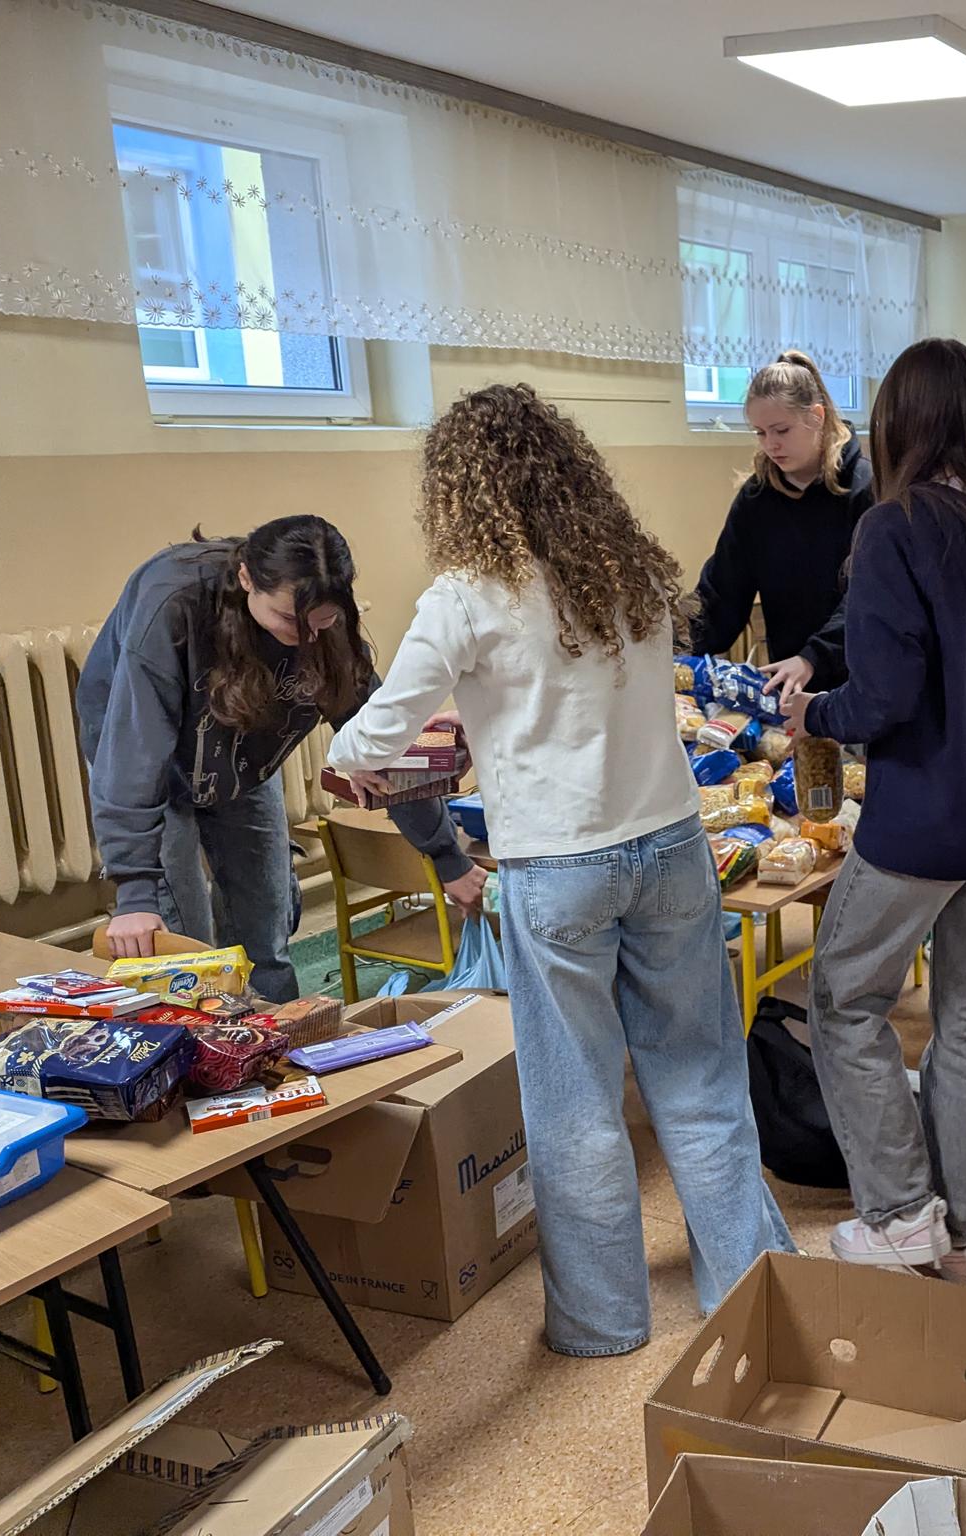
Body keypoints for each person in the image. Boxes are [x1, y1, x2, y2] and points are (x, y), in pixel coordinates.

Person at [328, 384, 792, 1355]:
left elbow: (372, 742)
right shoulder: (626, 569)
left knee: (575, 1100)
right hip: (670, 846)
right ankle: (747, 1294)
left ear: (461, 491)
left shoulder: (464, 598)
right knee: (703, 1082)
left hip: (555, 867)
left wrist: (404, 756)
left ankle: (601, 1324)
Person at [781, 339, 966, 1282]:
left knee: (844, 999)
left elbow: (886, 695)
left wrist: (813, 712)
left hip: (918, 827)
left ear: (896, 423)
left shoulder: (894, 528)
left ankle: (904, 1210)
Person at [78, 518, 483, 1002]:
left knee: (264, 935)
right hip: (151, 771)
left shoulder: (326, 630)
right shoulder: (173, 602)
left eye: (323, 623)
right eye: (290, 621)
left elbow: (382, 747)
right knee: (186, 956)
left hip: (244, 763)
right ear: (247, 578)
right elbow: (133, 754)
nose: (307, 638)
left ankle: (283, 1053)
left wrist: (446, 858)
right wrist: (135, 891)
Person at [685, 351, 874, 695]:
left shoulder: (865, 489)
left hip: (858, 687)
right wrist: (669, 645)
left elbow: (870, 599)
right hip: (791, 689)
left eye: (781, 430)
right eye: (760, 433)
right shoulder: (756, 500)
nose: (771, 445)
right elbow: (722, 596)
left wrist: (812, 657)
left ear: (816, 417)